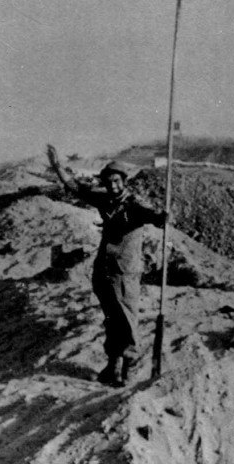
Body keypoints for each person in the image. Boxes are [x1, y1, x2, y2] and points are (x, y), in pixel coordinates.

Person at [46, 144, 166, 387]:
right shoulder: (105, 199)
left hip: (125, 272)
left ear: (124, 181)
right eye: (109, 182)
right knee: (111, 318)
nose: (113, 186)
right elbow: (75, 188)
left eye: (117, 181)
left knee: (127, 319)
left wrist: (162, 218)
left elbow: (153, 217)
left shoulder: (134, 205)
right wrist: (57, 166)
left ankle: (129, 367)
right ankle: (112, 366)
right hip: (104, 269)